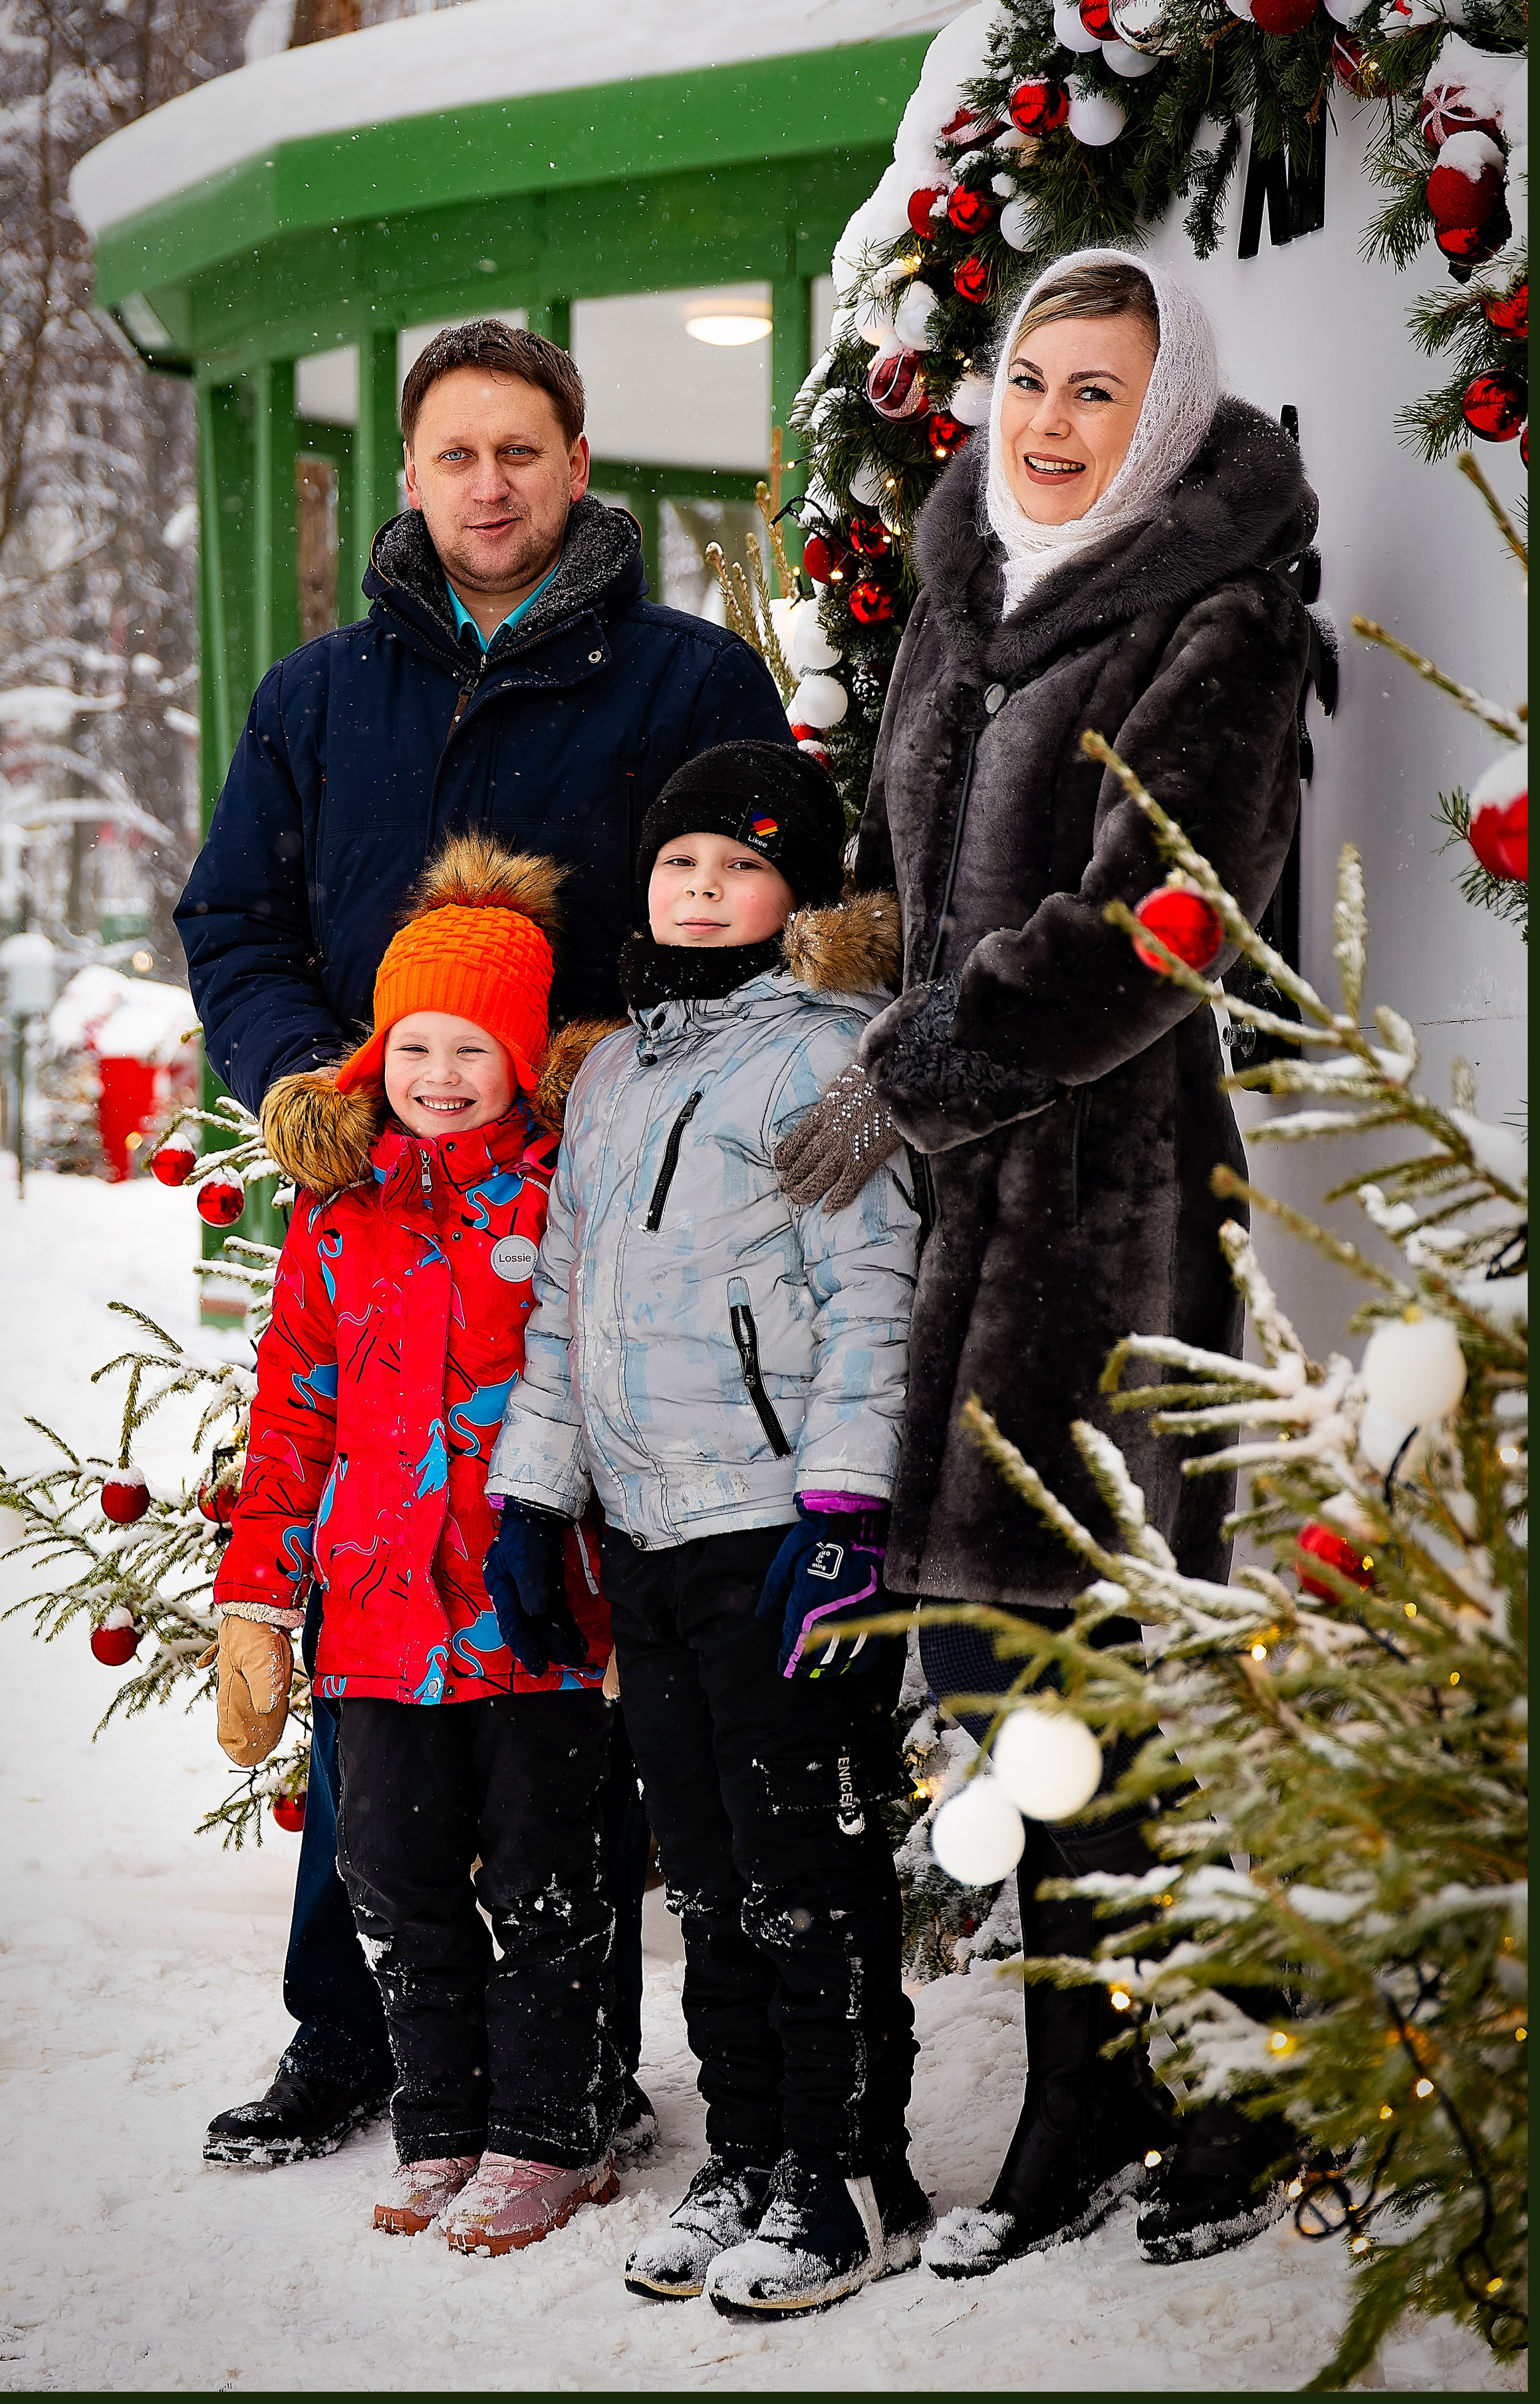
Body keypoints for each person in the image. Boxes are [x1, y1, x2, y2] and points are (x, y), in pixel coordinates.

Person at [177, 319, 793, 2167]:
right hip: (382, 1234)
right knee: (379, 1619)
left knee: (558, 1637)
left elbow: (750, 901)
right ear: (415, 476)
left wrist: (631, 1087)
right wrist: (314, 1082)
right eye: (457, 454)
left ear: (578, 461)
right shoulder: (318, 701)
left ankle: (564, 2061)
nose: (491, 484)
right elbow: (235, 921)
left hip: (598, 1236)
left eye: (523, 449)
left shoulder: (686, 681)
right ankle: (348, 2031)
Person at [777, 251, 1317, 2276]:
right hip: (948, 1219)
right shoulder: (962, 596)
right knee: (1012, 1683)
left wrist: (928, 1056)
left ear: (1164, 418)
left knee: (1108, 1673)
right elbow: (920, 884)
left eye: (1101, 392)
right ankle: (1099, 2091)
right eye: (1030, 381)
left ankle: (1211, 2087)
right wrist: (850, 990)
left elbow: (1169, 922)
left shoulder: (1221, 616)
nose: (1052, 422)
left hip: (1111, 1208)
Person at [487, 741, 932, 2318]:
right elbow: (559, 1301)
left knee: (801, 1854)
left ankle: (845, 2168)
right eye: (679, 861)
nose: (700, 889)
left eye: (736, 865)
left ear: (794, 895)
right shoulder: (606, 1074)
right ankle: (745, 2147)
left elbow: (873, 1289)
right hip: (645, 1527)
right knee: (708, 1871)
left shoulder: (835, 1060)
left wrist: (844, 1509)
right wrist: (533, 1498)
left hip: (771, 1523)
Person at [211, 838, 638, 2254]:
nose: (440, 1074)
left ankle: (549, 2134)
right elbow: (292, 1418)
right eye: (415, 1046)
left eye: (472, 1047)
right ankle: (443, 2122)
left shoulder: (567, 1200)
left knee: (544, 1881)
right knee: (390, 1877)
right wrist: (258, 1602)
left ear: (523, 1059)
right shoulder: (341, 1223)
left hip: (532, 1611)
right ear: (377, 1054)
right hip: (381, 1620)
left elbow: (606, 1390)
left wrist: (623, 1596)